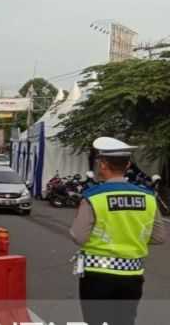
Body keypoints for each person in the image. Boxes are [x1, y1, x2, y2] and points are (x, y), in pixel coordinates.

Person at [70, 137, 165, 325]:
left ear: (102, 165)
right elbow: (159, 237)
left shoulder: (93, 196)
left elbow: (79, 236)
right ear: (128, 164)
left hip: (97, 275)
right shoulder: (147, 197)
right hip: (132, 275)